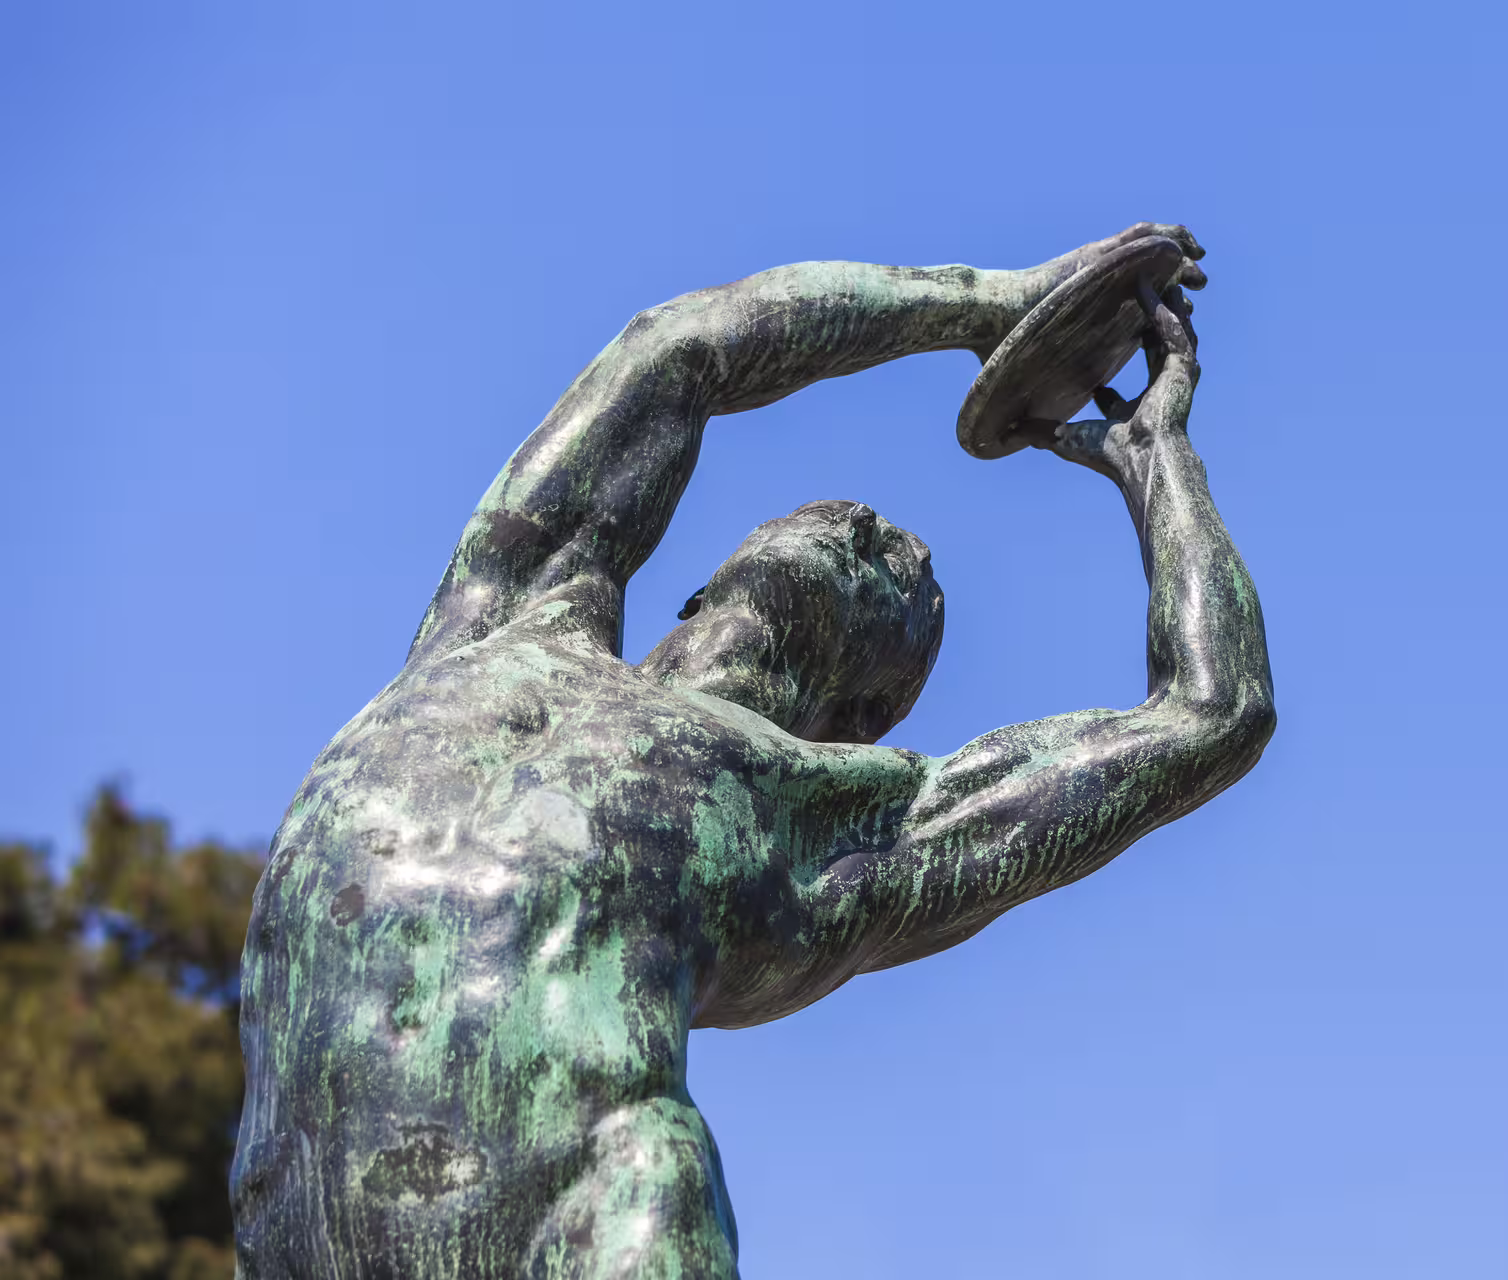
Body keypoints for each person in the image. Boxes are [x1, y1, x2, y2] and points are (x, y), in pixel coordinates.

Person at [232, 224, 1273, 1279]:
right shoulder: (510, 613)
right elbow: (679, 348)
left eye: (907, 581)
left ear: (856, 714)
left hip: (587, 1233)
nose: (880, 525)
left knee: (653, 1158)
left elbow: (1211, 712)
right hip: (297, 1238)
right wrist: (984, 302)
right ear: (706, 581)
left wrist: (1157, 462)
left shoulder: (813, 832)